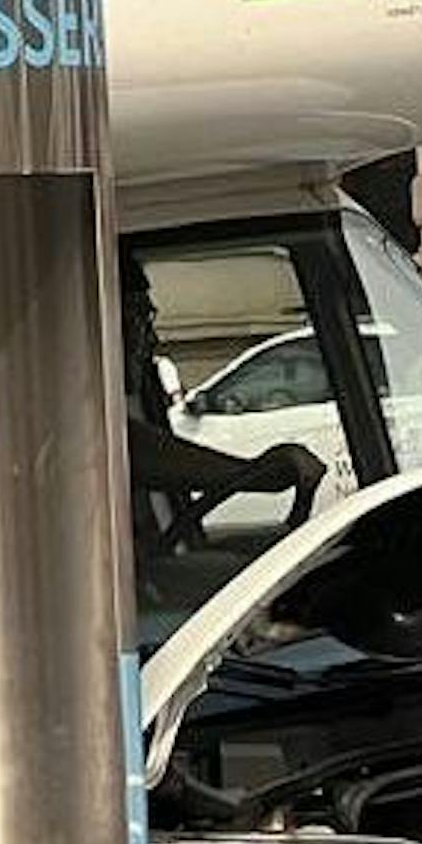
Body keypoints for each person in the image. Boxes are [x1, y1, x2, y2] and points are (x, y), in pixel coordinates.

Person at [120, 254, 326, 604]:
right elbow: (141, 454)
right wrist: (258, 474)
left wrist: (257, 473)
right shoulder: (87, 434)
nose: (150, 338)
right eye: (138, 316)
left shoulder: (106, 425)